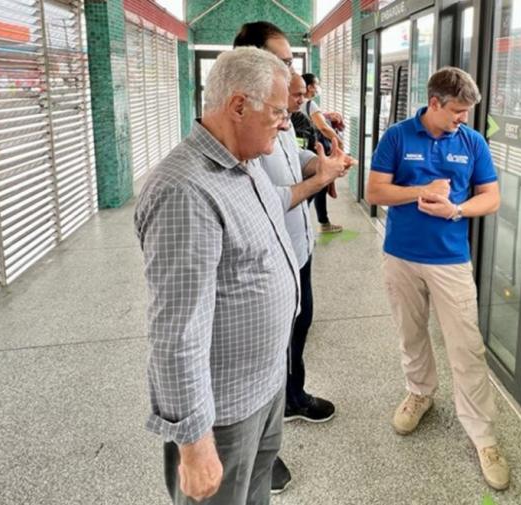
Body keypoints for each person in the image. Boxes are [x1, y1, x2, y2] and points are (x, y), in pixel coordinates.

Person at [134, 47, 338, 505]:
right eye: (279, 112)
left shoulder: (242, 162)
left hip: (264, 386)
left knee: (256, 490)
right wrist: (194, 442)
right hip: (222, 411)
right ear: (239, 105)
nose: (287, 124)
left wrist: (318, 178)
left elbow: (272, 206)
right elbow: (176, 333)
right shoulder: (185, 191)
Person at [364, 67, 510, 490]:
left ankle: (483, 435)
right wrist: (423, 191)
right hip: (401, 258)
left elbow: (492, 197)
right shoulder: (397, 137)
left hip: (450, 261)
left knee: (467, 346)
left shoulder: (472, 142)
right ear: (434, 103)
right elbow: (375, 192)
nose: (463, 118)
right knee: (411, 334)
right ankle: (420, 393)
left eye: (467, 112)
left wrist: (458, 209)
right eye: (458, 111)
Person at [232, 20, 355, 495]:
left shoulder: (278, 113)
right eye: (283, 60)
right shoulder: (245, 121)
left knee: (299, 326)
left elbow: (293, 153)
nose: (293, 70)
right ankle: (265, 449)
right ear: (252, 63)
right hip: (265, 258)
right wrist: (318, 182)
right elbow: (264, 198)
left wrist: (318, 163)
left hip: (296, 248)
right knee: (267, 349)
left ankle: (294, 397)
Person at [302, 73, 344, 234]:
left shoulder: (295, 104)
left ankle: (324, 222)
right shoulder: (310, 105)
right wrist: (338, 142)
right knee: (316, 187)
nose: (318, 87)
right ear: (310, 86)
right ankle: (308, 223)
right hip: (314, 151)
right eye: (316, 84)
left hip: (303, 149)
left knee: (319, 187)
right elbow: (323, 128)